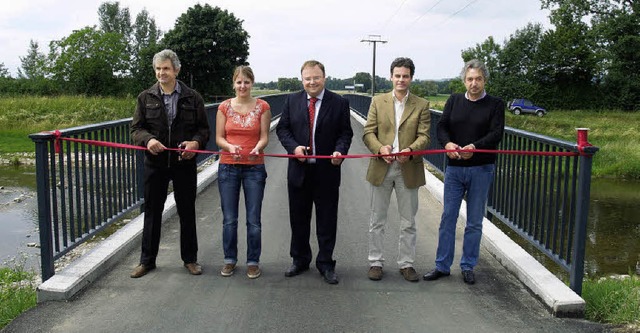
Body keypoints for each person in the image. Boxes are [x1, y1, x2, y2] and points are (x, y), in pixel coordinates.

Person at [423, 59, 505, 285]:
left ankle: (468, 265)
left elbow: (496, 133)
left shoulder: (496, 104)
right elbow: (442, 126)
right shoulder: (454, 100)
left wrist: (475, 147)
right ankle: (442, 265)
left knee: (475, 221)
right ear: (464, 81)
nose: (474, 83)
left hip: (481, 168)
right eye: (470, 79)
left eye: (478, 79)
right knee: (448, 217)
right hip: (455, 169)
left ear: (485, 80)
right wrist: (447, 144)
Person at [130, 49, 210, 278]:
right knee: (152, 212)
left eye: (165, 68)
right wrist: (149, 140)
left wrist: (195, 144)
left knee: (187, 211)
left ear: (176, 69)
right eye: (158, 69)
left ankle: (190, 260)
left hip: (183, 164)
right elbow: (136, 129)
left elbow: (204, 130)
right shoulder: (145, 97)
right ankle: (147, 261)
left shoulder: (193, 97)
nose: (161, 73)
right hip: (155, 164)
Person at [276, 60, 353, 284]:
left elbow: (345, 133)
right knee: (298, 218)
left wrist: (340, 151)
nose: (312, 82)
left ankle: (326, 263)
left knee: (327, 220)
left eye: (316, 77)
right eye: (307, 78)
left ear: (324, 78)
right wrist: (294, 148)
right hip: (299, 171)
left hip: (327, 171)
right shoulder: (292, 100)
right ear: (302, 80)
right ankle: (299, 260)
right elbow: (283, 129)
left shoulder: (339, 102)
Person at [362, 57, 431, 282]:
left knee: (408, 221)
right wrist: (380, 148)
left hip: (408, 168)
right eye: (397, 75)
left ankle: (406, 264)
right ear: (391, 76)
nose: (401, 80)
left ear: (411, 77)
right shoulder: (377, 101)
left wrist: (410, 150)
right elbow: (368, 132)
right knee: (377, 218)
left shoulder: (422, 105)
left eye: (405, 76)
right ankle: (375, 262)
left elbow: (425, 136)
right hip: (382, 166)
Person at [215, 66, 271, 279]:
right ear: (233, 84)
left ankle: (253, 261)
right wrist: (229, 147)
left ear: (252, 83)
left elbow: (264, 136)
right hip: (228, 166)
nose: (242, 86)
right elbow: (219, 137)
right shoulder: (224, 107)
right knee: (229, 218)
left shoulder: (263, 107)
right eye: (239, 82)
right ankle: (230, 259)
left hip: (254, 167)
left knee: (253, 219)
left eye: (246, 82)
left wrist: (259, 147)